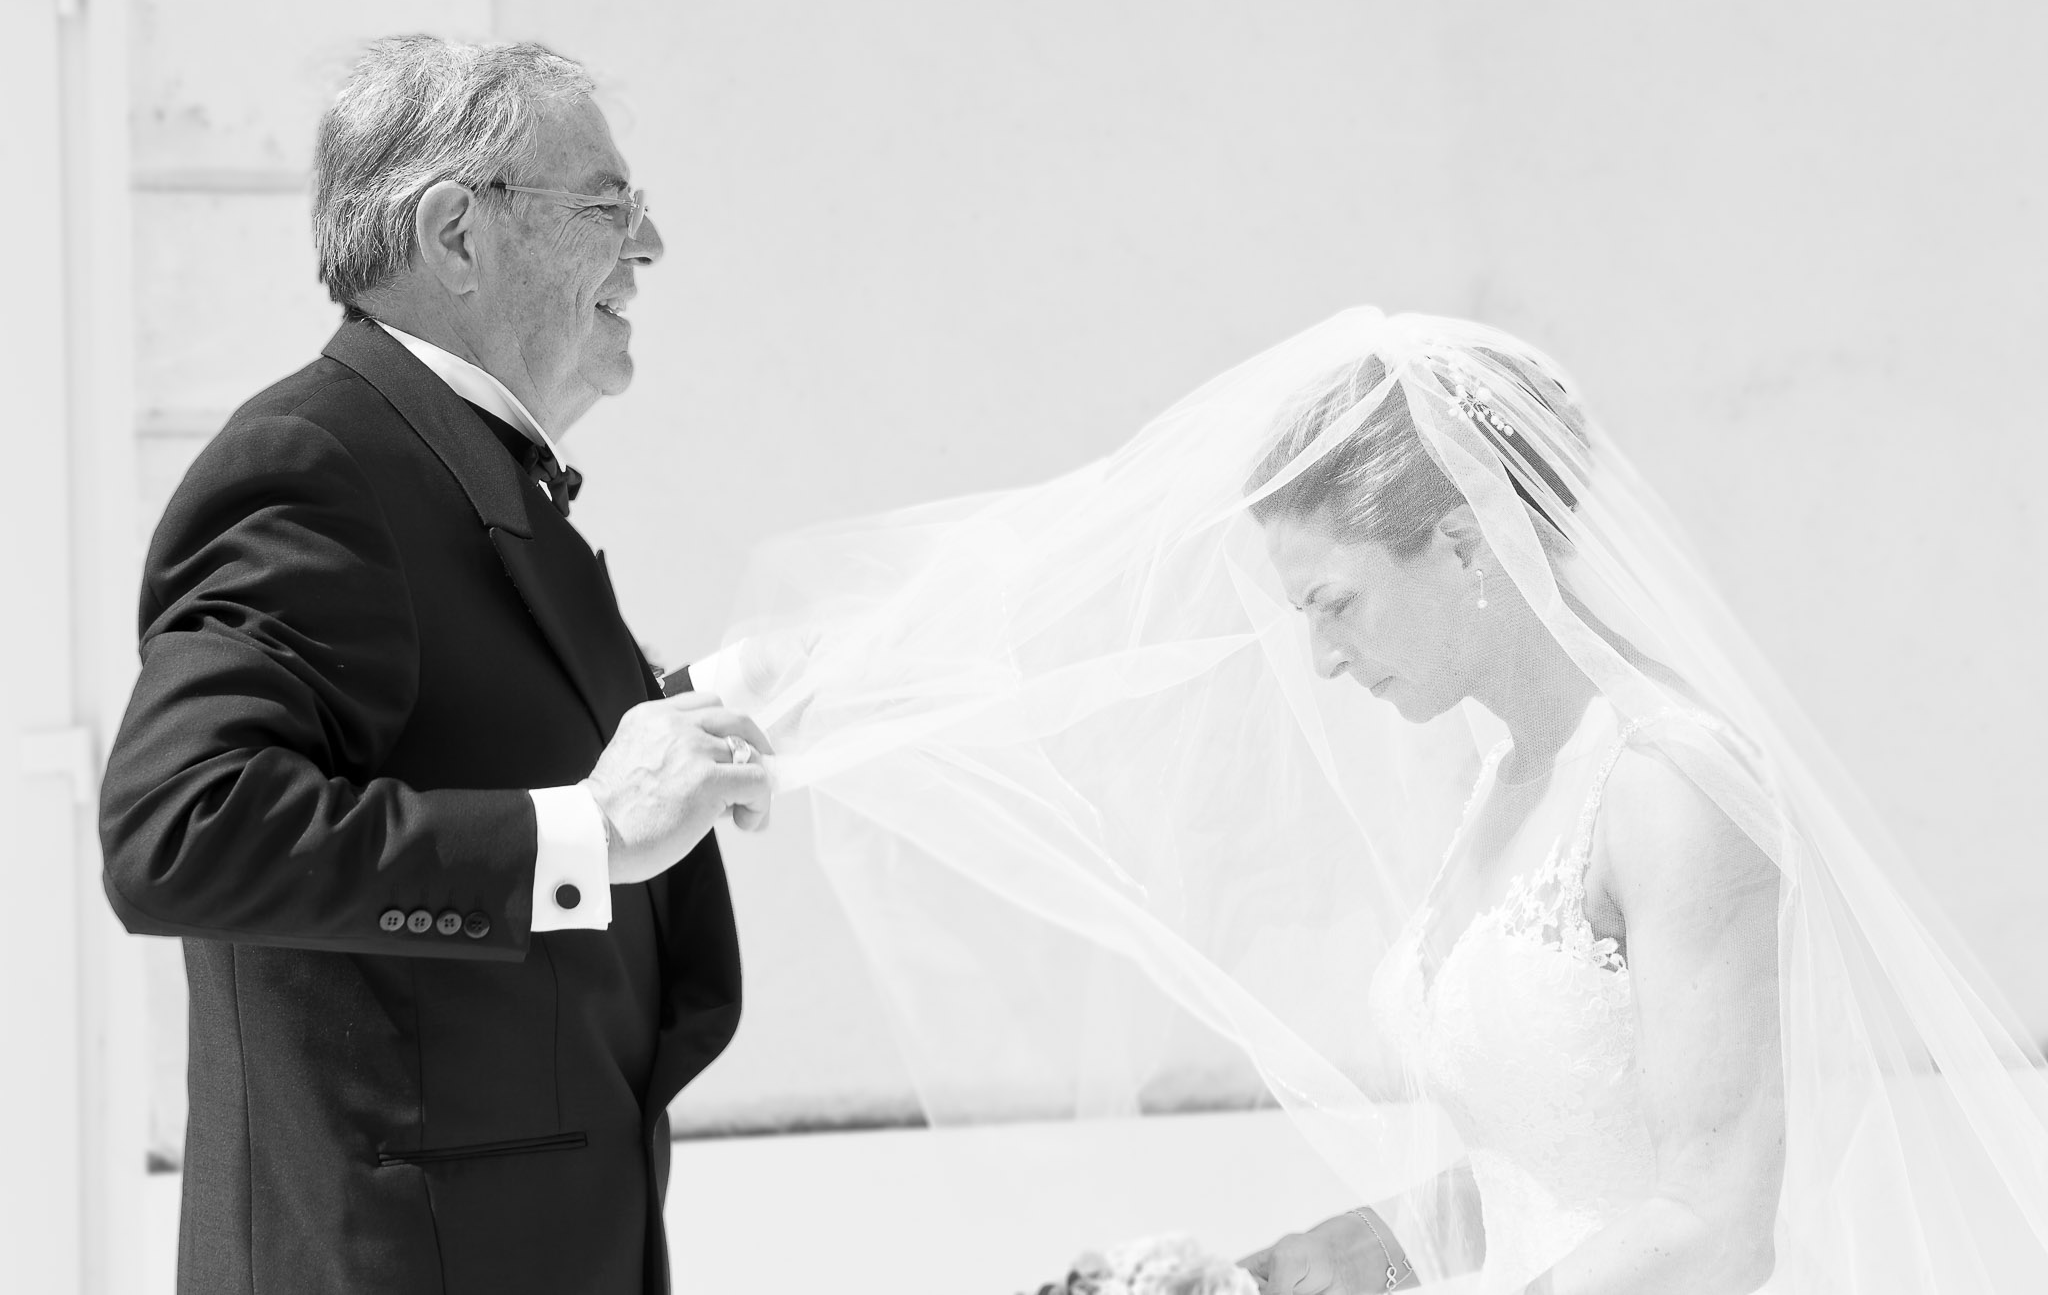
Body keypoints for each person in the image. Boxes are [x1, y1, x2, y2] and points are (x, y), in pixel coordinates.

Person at [712, 310, 2048, 1292]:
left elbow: (1713, 1224)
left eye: (1333, 602)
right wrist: (1299, 1270)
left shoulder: (1669, 787)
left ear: (1463, 541)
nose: (1322, 657)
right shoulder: (1501, 786)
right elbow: (1539, 1172)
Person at [98, 35, 772, 1294]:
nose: (648, 245)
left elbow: (477, 738)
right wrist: (587, 832)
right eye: (607, 206)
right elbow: (179, 830)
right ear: (457, 234)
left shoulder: (449, 463)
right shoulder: (317, 462)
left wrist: (714, 710)